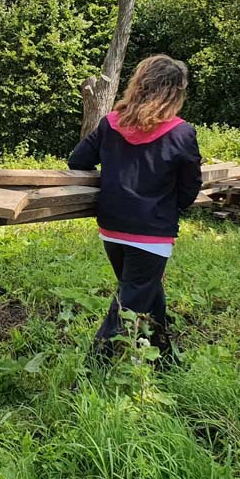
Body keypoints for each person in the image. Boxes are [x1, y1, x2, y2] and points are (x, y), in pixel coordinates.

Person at [68, 55, 202, 364]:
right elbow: (189, 190)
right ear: (175, 92)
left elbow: (78, 161)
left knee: (146, 293)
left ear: (139, 85)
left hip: (112, 228)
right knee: (127, 304)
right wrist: (170, 205)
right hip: (151, 233)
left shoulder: (111, 123)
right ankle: (93, 370)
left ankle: (166, 359)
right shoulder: (182, 134)